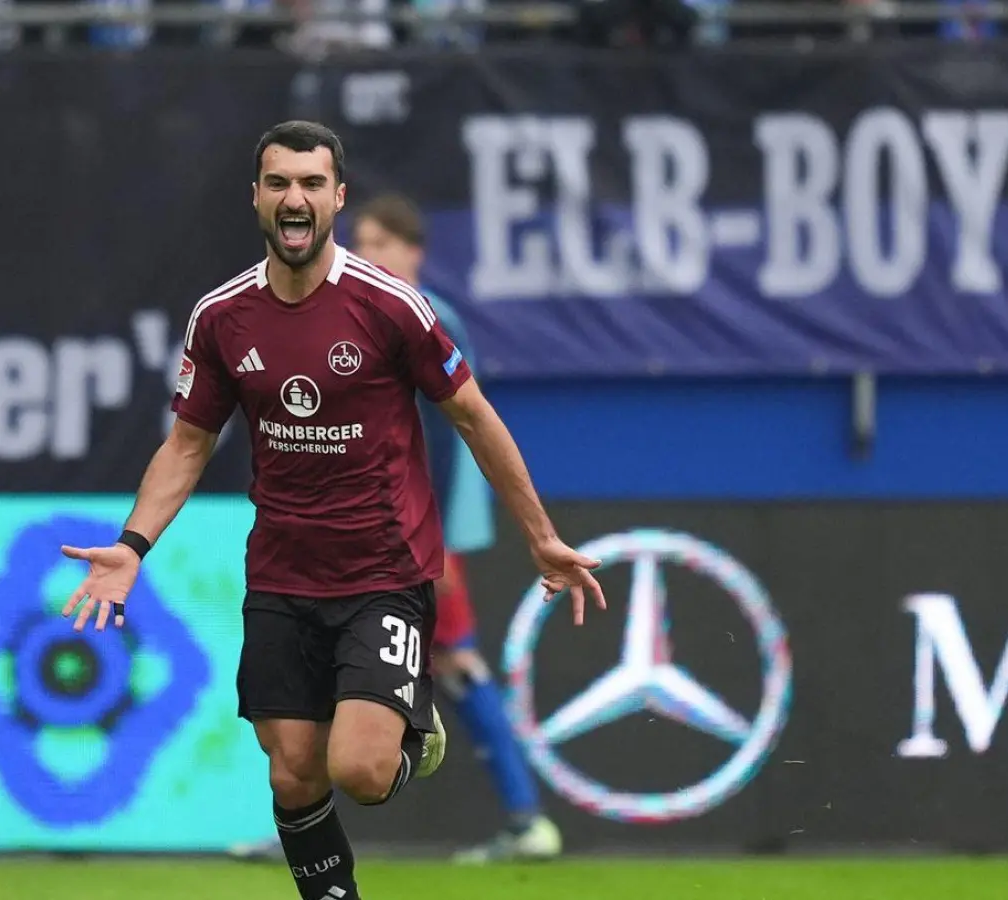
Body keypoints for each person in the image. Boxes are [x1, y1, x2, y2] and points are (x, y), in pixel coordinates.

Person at [59, 120, 604, 900]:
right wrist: (132, 545)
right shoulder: (222, 317)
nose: (295, 198)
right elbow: (187, 445)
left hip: (383, 568)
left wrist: (541, 539)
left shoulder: (391, 308)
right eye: (279, 182)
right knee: (292, 770)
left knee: (361, 770)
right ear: (256, 199)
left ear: (336, 199)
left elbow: (474, 417)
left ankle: (410, 732)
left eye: (312, 184)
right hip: (282, 574)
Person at [350, 191, 562, 862]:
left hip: (417, 534)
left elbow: (446, 436)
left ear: (415, 252)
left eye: (384, 244)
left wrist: (430, 541)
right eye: (363, 242)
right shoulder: (374, 317)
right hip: (391, 530)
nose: (370, 255)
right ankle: (525, 819)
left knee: (451, 661)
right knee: (440, 661)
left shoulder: (426, 319)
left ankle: (527, 819)